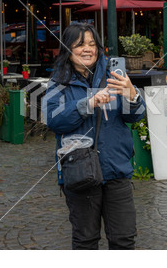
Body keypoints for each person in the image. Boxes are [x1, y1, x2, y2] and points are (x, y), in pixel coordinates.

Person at [42, 23, 146, 250]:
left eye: (91, 44)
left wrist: (132, 95)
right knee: (86, 241)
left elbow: (135, 117)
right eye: (79, 45)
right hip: (80, 170)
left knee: (124, 239)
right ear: (68, 49)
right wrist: (87, 104)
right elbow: (54, 121)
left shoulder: (114, 76)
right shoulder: (58, 82)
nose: (87, 49)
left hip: (116, 169)